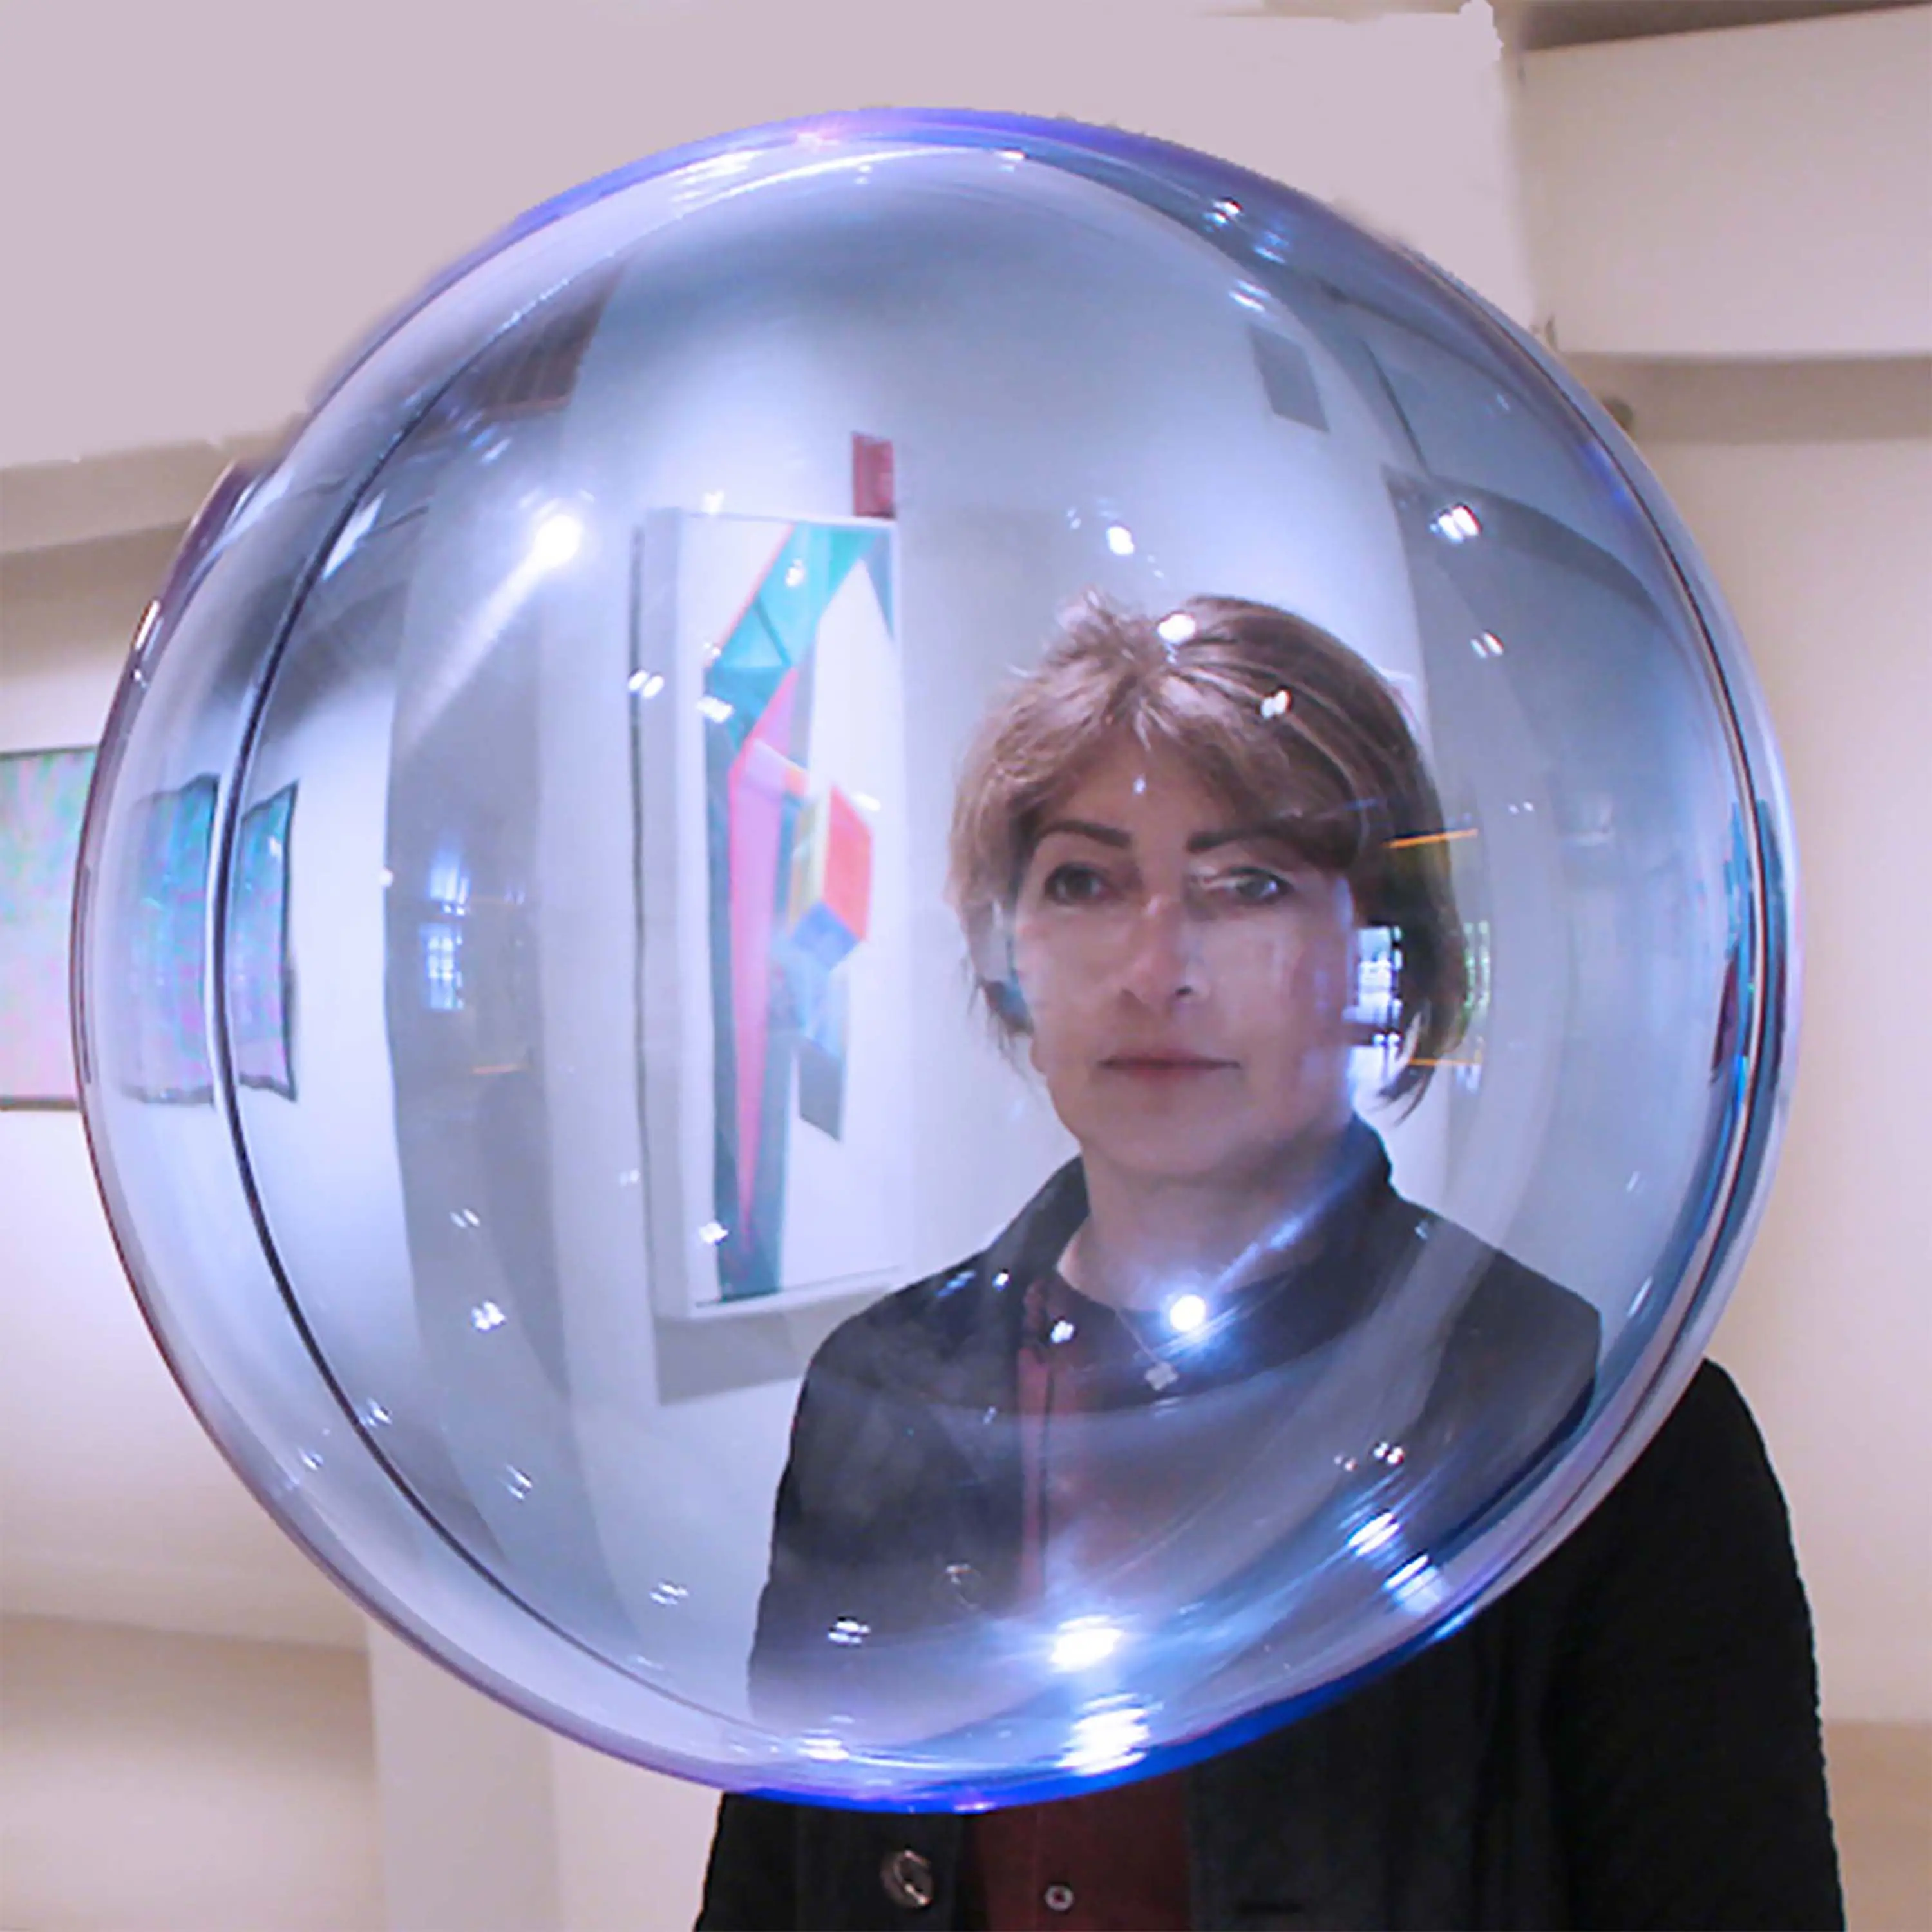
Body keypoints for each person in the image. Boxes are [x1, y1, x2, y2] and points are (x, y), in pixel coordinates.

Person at [698, 596, 1842, 1932]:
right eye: (1084, 880)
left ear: (1381, 954)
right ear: (1007, 955)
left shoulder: (1599, 1445)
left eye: (1249, 887)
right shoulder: (878, 1402)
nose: (1155, 966)